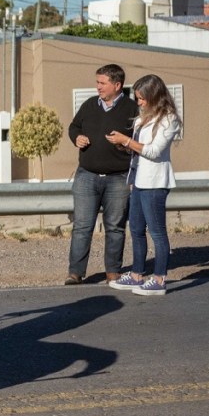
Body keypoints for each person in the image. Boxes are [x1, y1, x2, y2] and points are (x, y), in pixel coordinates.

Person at [105, 74, 181, 296]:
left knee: (157, 232)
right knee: (136, 229)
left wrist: (127, 141)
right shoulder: (142, 118)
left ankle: (159, 279)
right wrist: (124, 145)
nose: (138, 102)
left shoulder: (169, 119)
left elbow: (154, 151)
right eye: (137, 98)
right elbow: (139, 151)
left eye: (142, 98)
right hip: (138, 180)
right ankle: (137, 275)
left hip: (155, 183)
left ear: (154, 96)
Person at [66, 64, 138, 285]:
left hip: (118, 178)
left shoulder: (132, 109)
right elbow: (73, 127)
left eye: (102, 83)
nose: (97, 87)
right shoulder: (89, 105)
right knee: (82, 226)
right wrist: (76, 137)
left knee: (115, 227)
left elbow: (139, 141)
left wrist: (124, 144)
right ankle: (75, 272)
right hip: (87, 175)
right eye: (97, 82)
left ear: (117, 85)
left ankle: (113, 272)